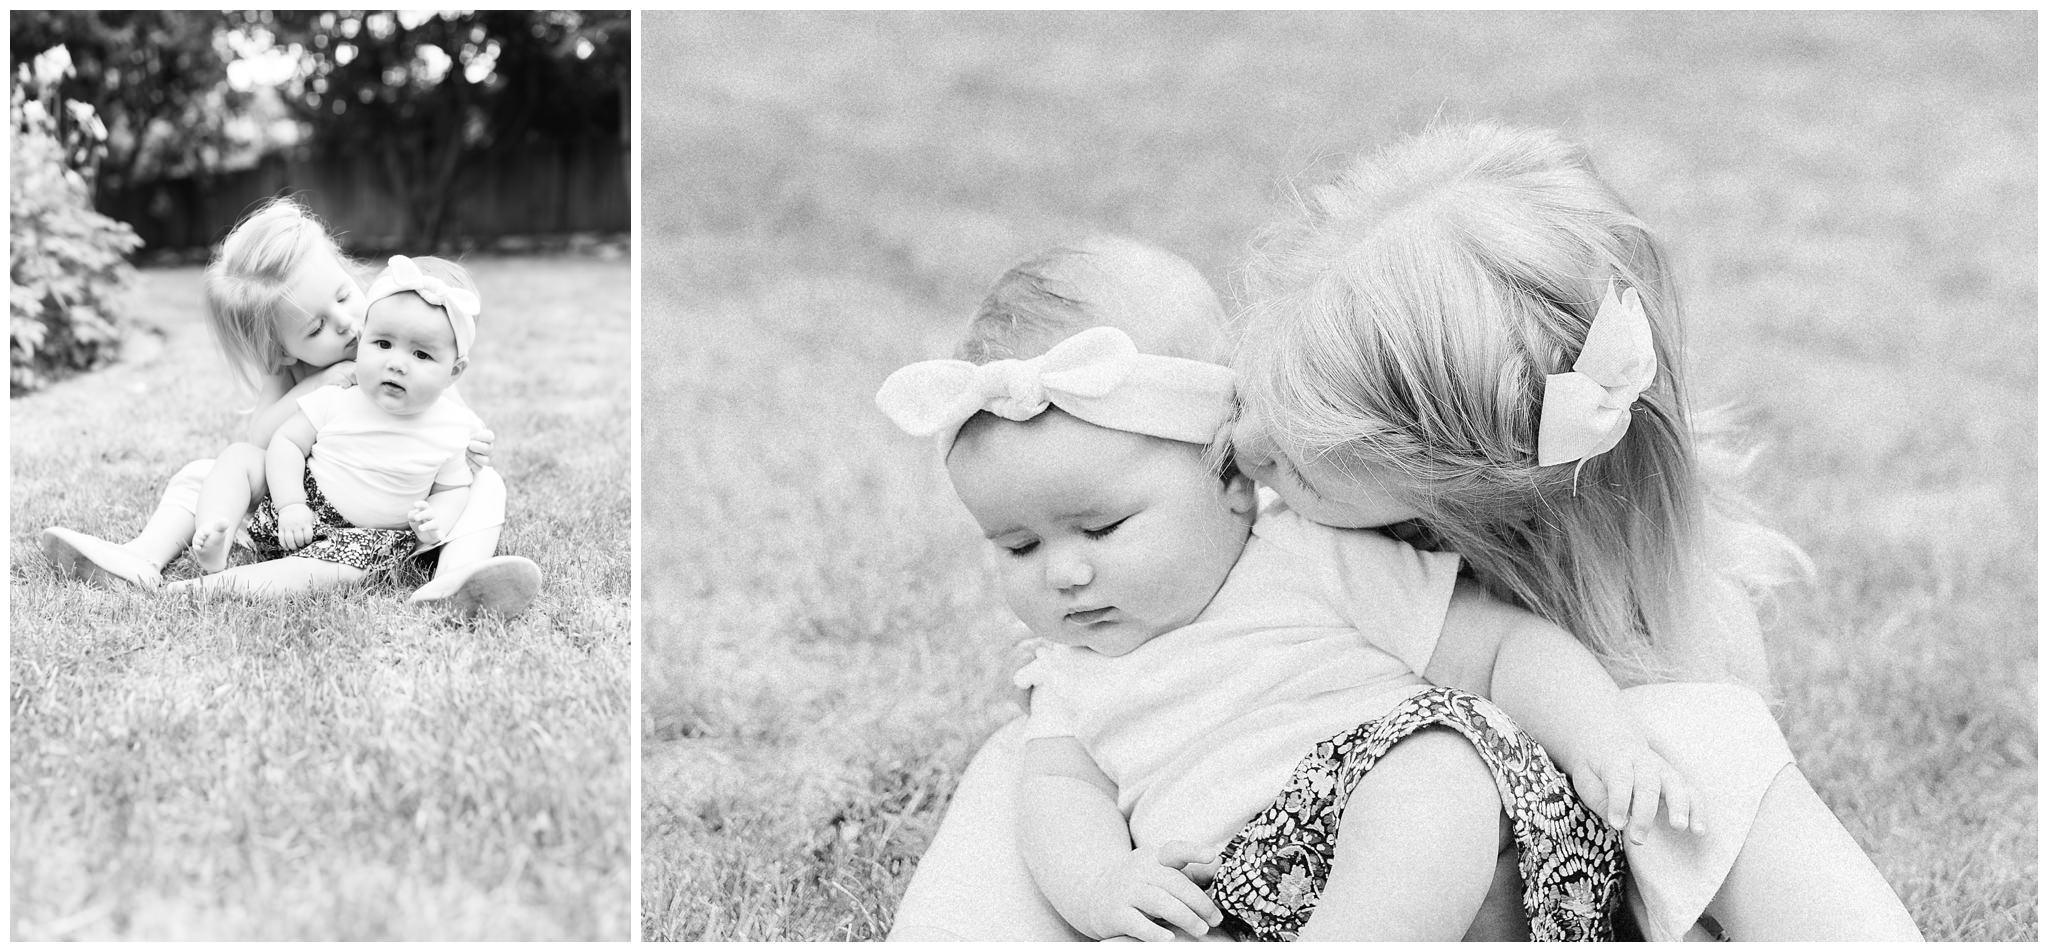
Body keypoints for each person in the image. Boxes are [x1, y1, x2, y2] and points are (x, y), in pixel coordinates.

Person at [891, 127, 1922, 942]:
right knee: (1018, 770)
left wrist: (1607, 741)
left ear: (1443, 482)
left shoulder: (1342, 564)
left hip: (1480, 834)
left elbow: (1514, 659)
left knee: (1624, 750)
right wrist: (1103, 874)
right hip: (1259, 875)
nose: (1235, 443)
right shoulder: (1154, 603)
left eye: (1285, 450)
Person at [880, 238, 1704, 941]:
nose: (1064, 571)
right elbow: (1057, 798)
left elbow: (1502, 647)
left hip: (1482, 854)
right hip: (1253, 900)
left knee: (1433, 771)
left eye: (1102, 530)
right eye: (1017, 545)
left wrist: (1604, 739)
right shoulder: (1067, 668)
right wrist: (1103, 884)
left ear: (1230, 479)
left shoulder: (1304, 554)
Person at [38, 197, 539, 615]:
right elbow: (261, 439)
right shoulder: (294, 372)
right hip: (299, 504)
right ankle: (143, 557)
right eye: (316, 328)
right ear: (282, 350)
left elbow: (447, 418)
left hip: (395, 512)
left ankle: (453, 579)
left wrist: (473, 446)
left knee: (486, 486)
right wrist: (324, 381)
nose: (345, 323)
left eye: (344, 296)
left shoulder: (396, 340)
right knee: (207, 471)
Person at [167, 255, 483, 598]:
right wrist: (291, 504)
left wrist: (435, 522)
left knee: (337, 571)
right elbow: (286, 441)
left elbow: (452, 489)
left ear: (454, 371)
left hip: (365, 538)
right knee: (238, 457)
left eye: (421, 355)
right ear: (363, 342)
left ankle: (216, 588)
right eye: (383, 344)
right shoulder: (339, 395)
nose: (396, 364)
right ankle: (216, 538)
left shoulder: (453, 428)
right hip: (299, 509)